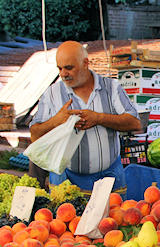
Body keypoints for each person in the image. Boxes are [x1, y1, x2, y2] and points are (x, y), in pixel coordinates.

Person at [29, 41, 141, 192]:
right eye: (60, 68)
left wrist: (99, 118)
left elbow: (135, 123)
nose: (63, 74)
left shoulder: (111, 87)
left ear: (85, 63)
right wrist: (56, 121)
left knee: (112, 215)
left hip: (110, 178)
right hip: (66, 180)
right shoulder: (52, 93)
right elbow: (35, 135)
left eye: (69, 68)